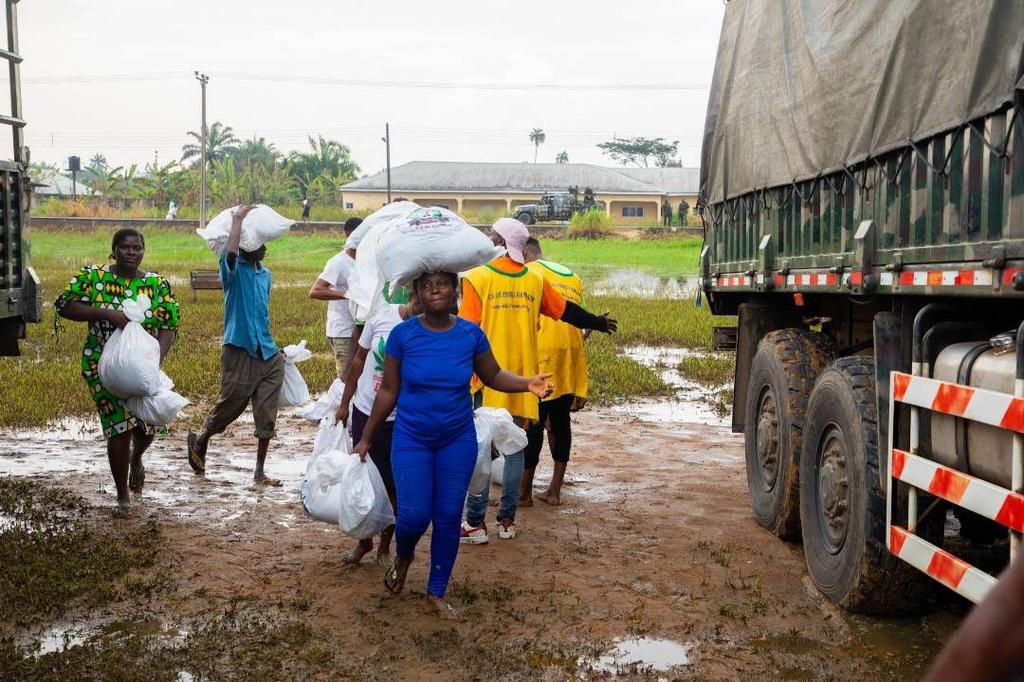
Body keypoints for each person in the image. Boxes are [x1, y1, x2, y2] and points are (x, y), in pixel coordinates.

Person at [353, 271, 553, 619]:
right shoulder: (403, 336)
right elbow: (388, 390)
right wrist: (367, 437)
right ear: (415, 292)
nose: (435, 290)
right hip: (412, 438)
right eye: (426, 285)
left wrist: (526, 383)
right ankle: (404, 554)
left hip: (456, 439)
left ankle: (435, 592)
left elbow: (492, 375)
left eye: (442, 283)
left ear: (454, 289)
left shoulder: (470, 334)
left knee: (447, 516)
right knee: (413, 516)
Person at [458, 218, 616, 543]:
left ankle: (475, 523)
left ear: (500, 241)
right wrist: (596, 322)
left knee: (480, 450)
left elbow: (465, 332)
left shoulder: (476, 278)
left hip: (486, 379)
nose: (488, 239)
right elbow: (566, 311)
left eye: (491, 235)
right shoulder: (534, 279)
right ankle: (507, 521)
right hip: (524, 381)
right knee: (516, 448)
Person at [55, 228, 180, 511]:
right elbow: (64, 304)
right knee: (118, 427)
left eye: (137, 248)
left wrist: (153, 362)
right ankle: (122, 496)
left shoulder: (157, 284)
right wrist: (106, 313)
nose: (131, 253)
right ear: (114, 250)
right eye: (125, 248)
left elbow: (169, 324)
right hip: (102, 365)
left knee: (148, 424)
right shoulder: (94, 277)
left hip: (144, 366)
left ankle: (137, 458)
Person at [186, 205, 285, 486]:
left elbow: (262, 313)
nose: (264, 249)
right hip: (238, 349)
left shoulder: (266, 275)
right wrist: (238, 222)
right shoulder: (232, 270)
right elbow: (230, 253)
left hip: (267, 352)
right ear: (246, 247)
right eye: (259, 245)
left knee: (267, 415)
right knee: (231, 405)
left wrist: (276, 349)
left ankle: (259, 471)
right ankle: (202, 439)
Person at [335, 291, 423, 566]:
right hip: (365, 410)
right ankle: (364, 542)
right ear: (411, 294)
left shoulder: (429, 329)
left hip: (401, 418)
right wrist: (344, 403)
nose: (423, 308)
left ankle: (385, 545)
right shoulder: (381, 318)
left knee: (393, 485)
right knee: (365, 480)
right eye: (420, 301)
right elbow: (360, 361)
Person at [520, 237, 588, 506]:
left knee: (533, 422)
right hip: (569, 356)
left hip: (542, 355)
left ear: (525, 254)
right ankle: (555, 491)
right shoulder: (571, 275)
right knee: (560, 423)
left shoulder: (529, 273)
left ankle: (524, 494)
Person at [309, 217, 362, 380]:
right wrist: (348, 294)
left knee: (360, 377)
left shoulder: (365, 260)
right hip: (343, 331)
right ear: (349, 235)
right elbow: (316, 291)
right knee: (346, 378)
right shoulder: (338, 262)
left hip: (361, 329)